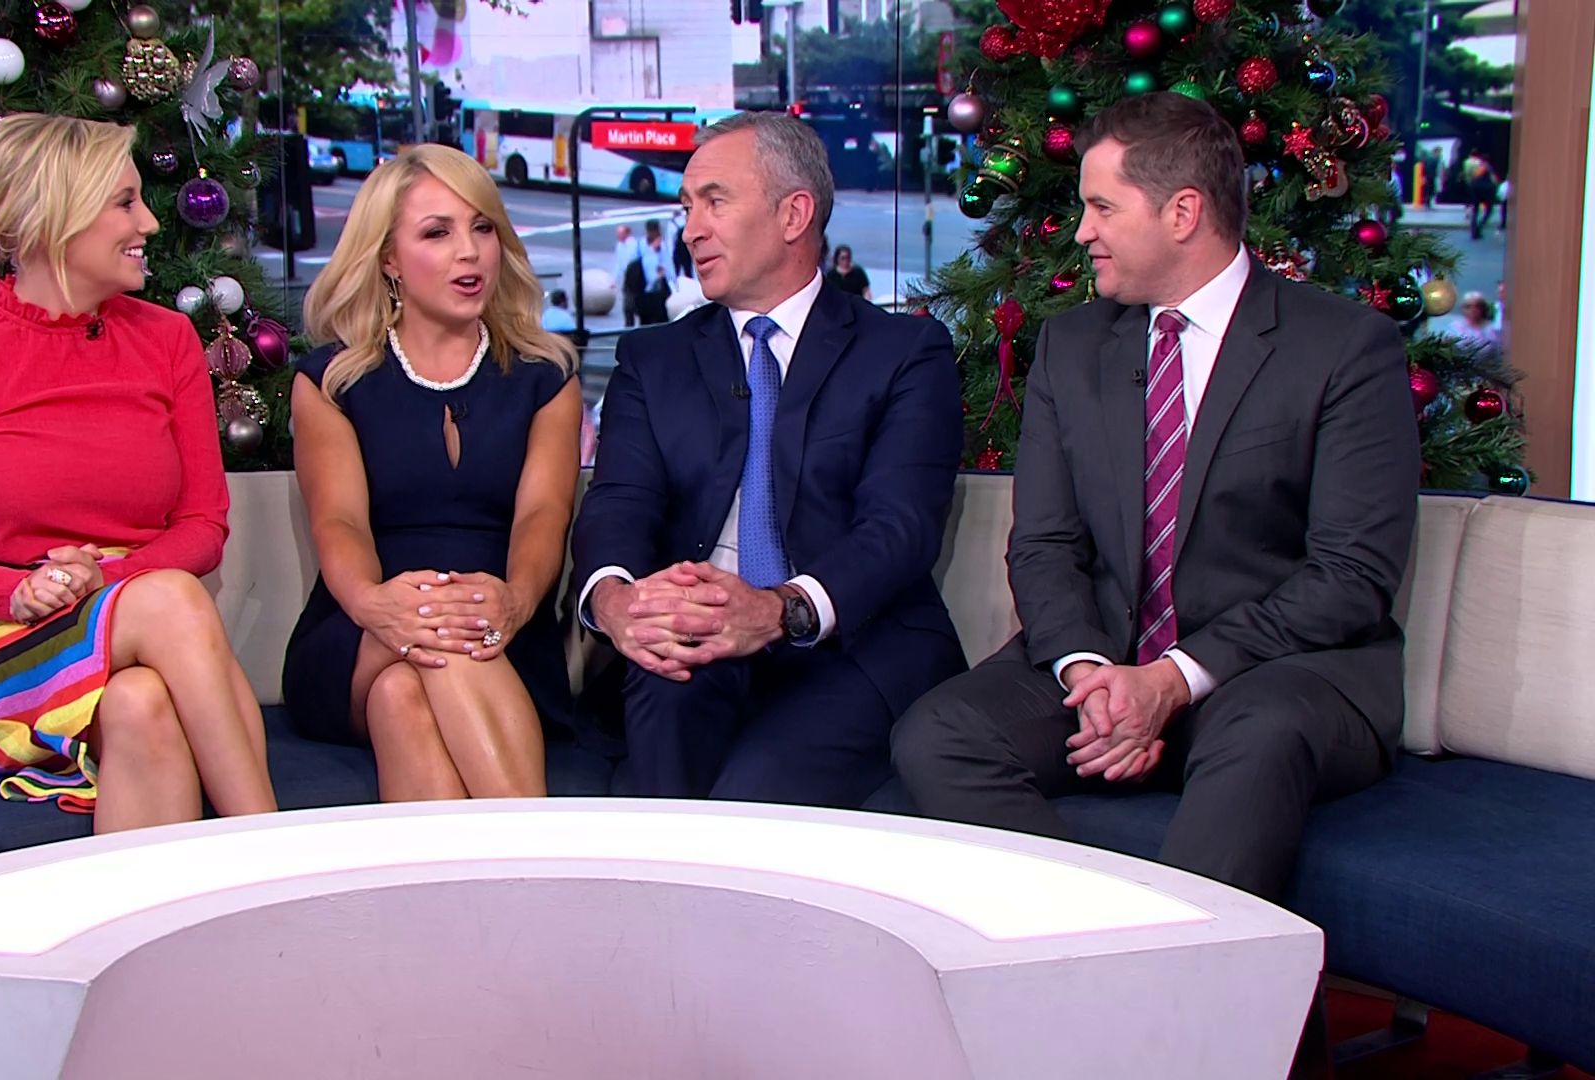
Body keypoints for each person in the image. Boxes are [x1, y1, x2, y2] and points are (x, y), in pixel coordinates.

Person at [891, 93, 1420, 903]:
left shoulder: (1343, 347)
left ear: (1183, 212)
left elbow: (1350, 576)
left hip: (1276, 672)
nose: (1082, 232)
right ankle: (1091, 940)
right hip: (1109, 659)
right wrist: (1092, 674)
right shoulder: (1072, 347)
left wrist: (1172, 680)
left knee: (1262, 732)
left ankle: (1185, 974)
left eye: (1102, 207)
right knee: (939, 734)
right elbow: (1044, 545)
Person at [0, 114, 277, 833]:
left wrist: (101, 581)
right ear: (56, 217)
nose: (149, 223)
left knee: (141, 701)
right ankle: (272, 848)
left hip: (127, 626)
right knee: (170, 600)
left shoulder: (167, 340)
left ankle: (157, 907)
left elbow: (202, 527)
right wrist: (19, 591)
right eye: (125, 203)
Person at [571, 111, 966, 807]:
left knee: (749, 799)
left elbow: (898, 527)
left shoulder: (903, 353)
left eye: (715, 201)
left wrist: (782, 609)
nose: (691, 229)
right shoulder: (652, 359)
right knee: (664, 719)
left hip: (846, 645)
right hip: (698, 633)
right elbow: (619, 502)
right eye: (688, 206)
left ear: (793, 214)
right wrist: (616, 600)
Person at [285, 144, 581, 801]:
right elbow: (338, 521)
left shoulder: (546, 376)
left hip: (502, 625)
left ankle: (482, 870)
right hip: (362, 628)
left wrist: (515, 600)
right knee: (439, 635)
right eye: (437, 233)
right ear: (389, 258)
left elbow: (544, 515)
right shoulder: (333, 381)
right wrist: (377, 605)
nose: (469, 252)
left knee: (404, 693)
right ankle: (540, 851)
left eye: (482, 228)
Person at [634, 219, 671, 325]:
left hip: (659, 288)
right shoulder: (642, 245)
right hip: (644, 289)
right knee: (645, 320)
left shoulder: (662, 245)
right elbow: (639, 262)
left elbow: (668, 264)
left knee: (661, 318)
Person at [613, 224, 641, 328]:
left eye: (620, 233)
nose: (618, 235)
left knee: (634, 303)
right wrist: (614, 279)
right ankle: (629, 325)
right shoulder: (619, 246)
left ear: (627, 233)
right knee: (628, 305)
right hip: (627, 278)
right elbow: (618, 264)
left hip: (635, 277)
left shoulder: (634, 245)